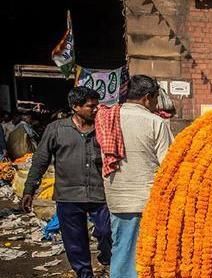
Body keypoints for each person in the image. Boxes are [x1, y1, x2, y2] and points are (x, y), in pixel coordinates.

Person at [21, 87, 111, 278]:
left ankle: (106, 256)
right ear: (75, 107)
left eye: (97, 105)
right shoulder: (56, 129)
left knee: (107, 231)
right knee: (75, 241)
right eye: (90, 106)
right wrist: (29, 190)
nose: (96, 110)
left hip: (100, 193)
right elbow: (40, 161)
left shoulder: (104, 128)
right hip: (68, 195)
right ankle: (84, 274)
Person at [98, 75, 174, 278]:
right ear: (148, 97)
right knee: (149, 258)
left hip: (117, 199)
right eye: (156, 98)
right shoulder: (155, 122)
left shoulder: (108, 118)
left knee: (122, 252)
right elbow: (169, 165)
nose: (157, 103)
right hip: (146, 200)